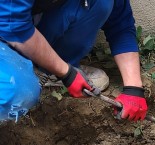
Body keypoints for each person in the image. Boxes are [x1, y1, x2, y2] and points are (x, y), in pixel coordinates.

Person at [0, 0, 147, 122]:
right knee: (16, 97)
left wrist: (134, 88)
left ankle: (46, 70)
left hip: (25, 25)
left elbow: (120, 25)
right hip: (6, 31)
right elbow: (14, 26)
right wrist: (66, 73)